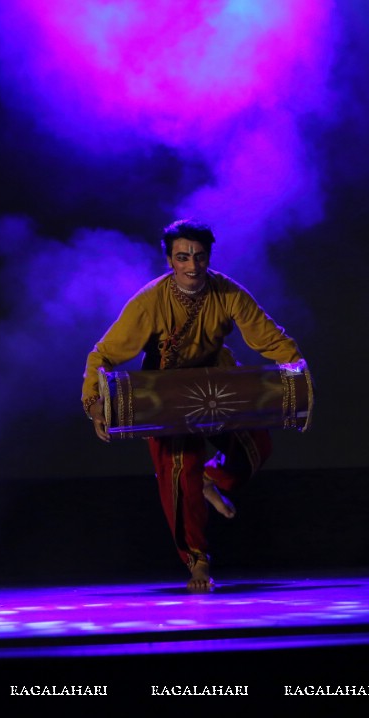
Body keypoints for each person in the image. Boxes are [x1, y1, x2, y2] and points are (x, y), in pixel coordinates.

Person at [83, 220, 304, 591]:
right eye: (182, 257)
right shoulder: (150, 301)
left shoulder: (227, 292)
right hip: (163, 397)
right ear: (170, 259)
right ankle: (198, 563)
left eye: (199, 257)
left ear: (208, 258)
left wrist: (297, 369)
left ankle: (212, 479)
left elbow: (269, 337)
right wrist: (94, 403)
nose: (192, 266)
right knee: (179, 476)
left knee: (256, 447)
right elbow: (103, 354)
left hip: (216, 386)